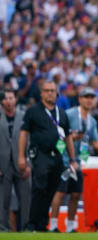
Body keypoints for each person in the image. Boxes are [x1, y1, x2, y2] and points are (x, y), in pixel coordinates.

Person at [18, 80, 76, 231]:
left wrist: (72, 159)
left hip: (57, 156)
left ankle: (42, 224)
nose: (50, 93)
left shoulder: (61, 113)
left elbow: (68, 136)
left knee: (51, 190)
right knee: (39, 188)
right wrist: (21, 156)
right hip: (40, 154)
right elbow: (24, 134)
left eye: (52, 90)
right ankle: (31, 223)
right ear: (41, 93)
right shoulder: (33, 111)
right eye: (47, 90)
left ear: (56, 93)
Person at [49, 87, 98, 233]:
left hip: (78, 163)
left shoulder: (92, 121)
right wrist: (72, 137)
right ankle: (53, 225)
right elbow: (59, 135)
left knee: (76, 194)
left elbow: (96, 142)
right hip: (64, 160)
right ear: (80, 99)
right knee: (60, 191)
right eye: (86, 97)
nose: (89, 100)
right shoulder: (69, 114)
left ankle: (70, 226)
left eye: (91, 97)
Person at [0, 89, 30, 231]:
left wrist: (29, 164)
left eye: (11, 98)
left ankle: (26, 227)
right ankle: (2, 228)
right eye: (6, 98)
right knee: (2, 200)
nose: (9, 101)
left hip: (21, 163)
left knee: (25, 199)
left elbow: (30, 142)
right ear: (2, 101)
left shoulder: (24, 117)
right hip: (3, 165)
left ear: (16, 100)